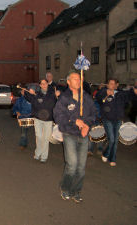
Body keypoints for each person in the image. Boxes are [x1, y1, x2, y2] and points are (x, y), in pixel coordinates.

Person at [53, 72, 96, 203]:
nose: (79, 81)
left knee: (81, 168)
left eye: (80, 78)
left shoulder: (86, 97)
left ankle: (75, 191)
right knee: (72, 165)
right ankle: (65, 188)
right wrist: (74, 120)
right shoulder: (64, 98)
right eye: (75, 79)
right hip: (69, 134)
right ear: (69, 82)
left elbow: (93, 113)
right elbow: (58, 116)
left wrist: (87, 125)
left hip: (83, 135)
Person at [96, 78, 137, 167]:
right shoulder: (103, 92)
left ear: (116, 85)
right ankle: (106, 154)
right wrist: (106, 92)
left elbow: (131, 96)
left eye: (114, 84)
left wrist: (134, 92)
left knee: (115, 141)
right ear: (107, 85)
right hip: (107, 119)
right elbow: (98, 97)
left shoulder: (120, 94)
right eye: (110, 83)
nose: (112, 85)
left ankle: (112, 158)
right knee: (112, 139)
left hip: (118, 119)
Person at [25, 79, 60, 163]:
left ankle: (44, 156)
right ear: (40, 85)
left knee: (46, 138)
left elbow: (61, 98)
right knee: (39, 137)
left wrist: (59, 94)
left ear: (48, 84)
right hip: (38, 118)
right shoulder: (36, 94)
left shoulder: (52, 93)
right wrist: (29, 92)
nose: (44, 85)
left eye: (45, 83)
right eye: (42, 84)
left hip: (48, 120)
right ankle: (38, 153)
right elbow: (27, 96)